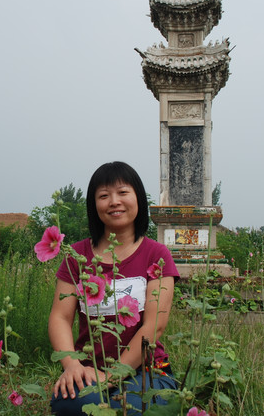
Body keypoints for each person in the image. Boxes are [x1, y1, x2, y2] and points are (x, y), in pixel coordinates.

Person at [49, 162, 179, 415]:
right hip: (89, 370)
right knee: (71, 405)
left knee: (130, 407)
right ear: (94, 204)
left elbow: (155, 326)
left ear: (138, 198)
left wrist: (111, 377)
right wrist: (72, 365)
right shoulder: (77, 255)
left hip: (147, 371)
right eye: (104, 196)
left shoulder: (156, 254)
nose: (114, 202)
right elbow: (60, 317)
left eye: (122, 192)